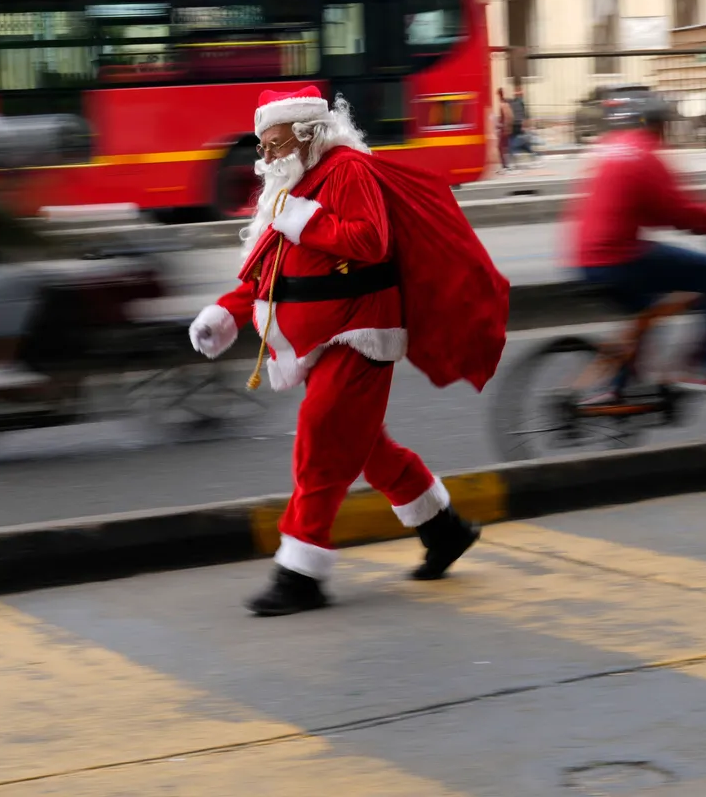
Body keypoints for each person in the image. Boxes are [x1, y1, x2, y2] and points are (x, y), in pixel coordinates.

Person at [189, 86, 509, 617]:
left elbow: (369, 241)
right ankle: (443, 528)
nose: (265, 157)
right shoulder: (293, 181)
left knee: (322, 437)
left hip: (360, 332)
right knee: (362, 445)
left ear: (306, 133)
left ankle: (301, 573)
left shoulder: (346, 171)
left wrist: (302, 220)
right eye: (262, 146)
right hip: (322, 338)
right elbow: (271, 268)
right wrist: (228, 310)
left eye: (273, 144)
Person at [565, 93, 706, 393]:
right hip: (617, 257)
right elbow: (680, 211)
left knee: (648, 311)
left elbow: (650, 210)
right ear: (658, 125)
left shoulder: (609, 149)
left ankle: (619, 390)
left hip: (586, 257)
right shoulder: (645, 154)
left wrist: (696, 223)